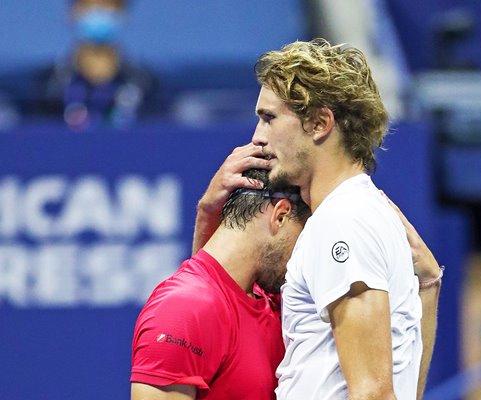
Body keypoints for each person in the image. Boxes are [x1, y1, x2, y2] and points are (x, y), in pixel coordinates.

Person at [250, 38, 442, 399]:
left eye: (269, 118)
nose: (257, 138)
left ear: (320, 123)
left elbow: (373, 393)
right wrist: (428, 287)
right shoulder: (352, 213)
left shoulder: (344, 219)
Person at [131, 168, 310, 400]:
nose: (306, 253)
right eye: (305, 233)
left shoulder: (271, 303)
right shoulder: (183, 309)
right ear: (281, 215)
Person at [35, 0, 155, 130]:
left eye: (107, 9)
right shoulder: (52, 79)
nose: (99, 14)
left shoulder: (141, 79)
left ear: (124, 15)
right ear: (71, 14)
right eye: (90, 8)